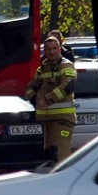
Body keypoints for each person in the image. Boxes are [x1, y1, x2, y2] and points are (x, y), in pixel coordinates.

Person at [25, 36, 77, 164]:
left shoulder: (66, 64)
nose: (52, 52)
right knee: (49, 158)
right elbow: (30, 87)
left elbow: (68, 86)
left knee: (60, 157)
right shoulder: (42, 68)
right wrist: (34, 99)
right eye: (48, 49)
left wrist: (47, 100)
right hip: (47, 119)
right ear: (44, 51)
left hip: (63, 119)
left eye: (54, 48)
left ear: (59, 49)